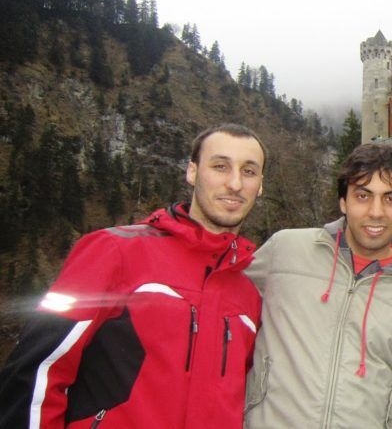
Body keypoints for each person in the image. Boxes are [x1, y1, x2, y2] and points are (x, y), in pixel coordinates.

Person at [0, 123, 266, 428]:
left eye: (248, 171)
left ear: (260, 185)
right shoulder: (113, 250)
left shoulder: (248, 295)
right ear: (192, 172)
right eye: (220, 166)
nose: (234, 183)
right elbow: (38, 371)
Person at [244, 143, 392, 428]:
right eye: (363, 196)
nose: (376, 212)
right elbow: (221, 308)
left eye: (391, 198)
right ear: (344, 201)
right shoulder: (285, 251)